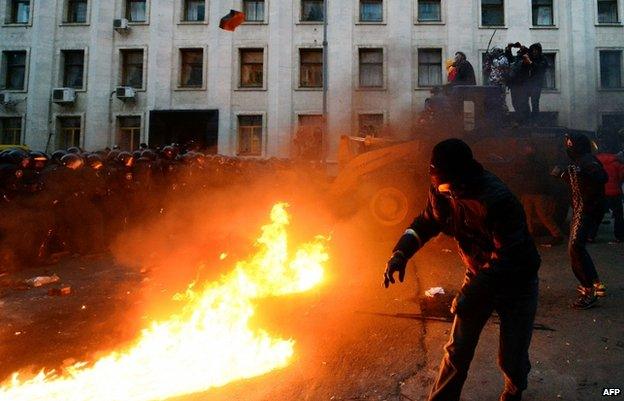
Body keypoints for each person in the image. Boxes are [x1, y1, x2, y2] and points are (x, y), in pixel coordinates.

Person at [384, 139, 540, 401]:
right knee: (458, 350)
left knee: (511, 357)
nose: (444, 190)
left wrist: (472, 294)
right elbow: (427, 222)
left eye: (449, 185)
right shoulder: (442, 188)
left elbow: (507, 257)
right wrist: (401, 253)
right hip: (480, 274)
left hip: (517, 281)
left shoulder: (498, 200)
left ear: (464, 175)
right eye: (438, 183)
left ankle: (514, 390)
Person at [552, 133, 608, 308]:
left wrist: (575, 171)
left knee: (575, 247)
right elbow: (576, 181)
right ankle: (595, 283)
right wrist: (563, 175)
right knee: (577, 247)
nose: (568, 147)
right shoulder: (578, 162)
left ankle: (588, 289)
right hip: (581, 208)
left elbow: (601, 177)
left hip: (586, 210)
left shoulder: (587, 161)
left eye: (570, 144)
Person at [517, 143, 564, 245]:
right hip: (532, 191)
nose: (526, 149)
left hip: (536, 191)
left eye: (527, 147)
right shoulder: (538, 159)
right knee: (527, 214)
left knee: (541, 214)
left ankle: (557, 234)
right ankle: (530, 234)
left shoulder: (535, 160)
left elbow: (524, 171)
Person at [595, 139, 624, 243]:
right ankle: (619, 236)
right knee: (618, 215)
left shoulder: (596, 161)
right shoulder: (617, 163)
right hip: (615, 193)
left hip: (601, 192)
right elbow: (621, 177)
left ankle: (591, 235)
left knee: (597, 214)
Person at [506, 43, 532, 124]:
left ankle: (525, 121)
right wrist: (509, 48)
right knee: (515, 103)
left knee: (523, 103)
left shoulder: (525, 61)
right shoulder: (515, 61)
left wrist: (521, 46)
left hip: (522, 86)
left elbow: (528, 53)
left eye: (519, 51)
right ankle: (521, 121)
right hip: (514, 85)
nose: (518, 52)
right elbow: (509, 58)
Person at [527, 43, 549, 121]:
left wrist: (530, 62)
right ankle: (528, 119)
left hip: (537, 83)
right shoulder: (531, 57)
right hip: (528, 83)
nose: (534, 52)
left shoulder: (543, 59)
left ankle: (535, 120)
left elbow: (539, 68)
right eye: (533, 50)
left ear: (539, 51)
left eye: (536, 50)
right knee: (523, 101)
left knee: (534, 102)